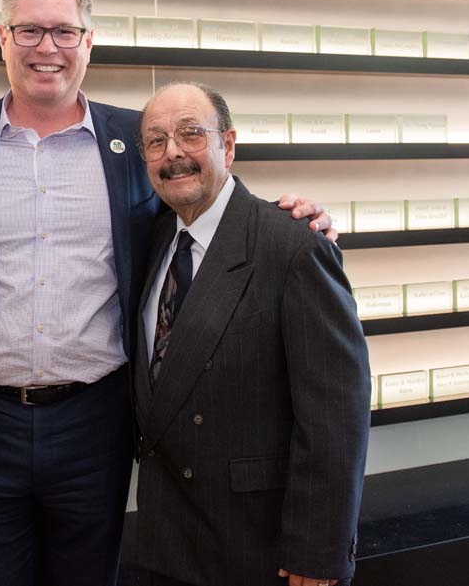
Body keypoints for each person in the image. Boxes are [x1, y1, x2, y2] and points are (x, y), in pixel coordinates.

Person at [0, 0, 334, 586]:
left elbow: (207, 205)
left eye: (65, 32)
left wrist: (293, 219)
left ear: (88, 42)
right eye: (30, 31)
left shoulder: (137, 136)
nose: (48, 48)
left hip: (95, 423)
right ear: (2, 37)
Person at [131, 82, 371, 586]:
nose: (173, 152)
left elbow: (335, 413)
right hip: (165, 540)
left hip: (258, 548)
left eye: (191, 134)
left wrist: (319, 549)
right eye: (156, 140)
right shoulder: (152, 242)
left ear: (229, 144)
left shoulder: (293, 247)